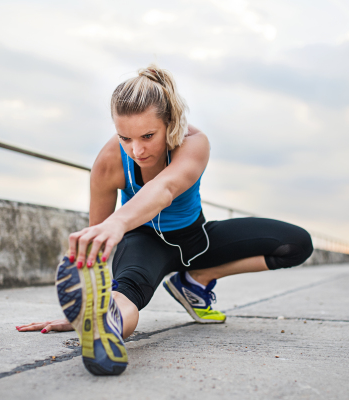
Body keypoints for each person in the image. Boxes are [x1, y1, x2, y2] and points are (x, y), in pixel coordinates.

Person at [16, 64, 313, 375]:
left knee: (296, 244)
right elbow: (97, 245)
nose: (136, 150)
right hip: (144, 244)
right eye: (125, 138)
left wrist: (118, 221)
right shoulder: (108, 162)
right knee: (123, 295)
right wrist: (88, 307)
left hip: (197, 240)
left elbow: (165, 188)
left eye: (147, 135)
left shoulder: (194, 142)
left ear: (170, 122)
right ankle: (105, 327)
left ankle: (195, 280)